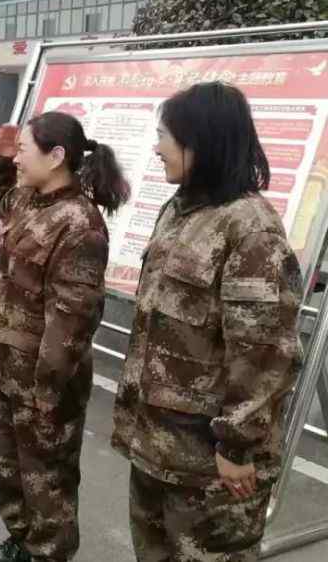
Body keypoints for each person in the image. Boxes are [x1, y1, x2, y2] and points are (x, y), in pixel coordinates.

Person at [112, 82, 301, 562]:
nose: (156, 148)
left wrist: (236, 447)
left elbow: (263, 353)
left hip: (211, 463)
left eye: (165, 136)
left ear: (203, 141)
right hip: (157, 446)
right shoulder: (178, 210)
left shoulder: (250, 228)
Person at [0, 112, 130, 562]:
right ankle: (21, 543)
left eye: (24, 150)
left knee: (48, 483)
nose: (19, 158)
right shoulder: (29, 198)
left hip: (45, 387)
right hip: (10, 372)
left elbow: (71, 324)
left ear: (57, 156)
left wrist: (46, 394)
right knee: (13, 473)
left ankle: (47, 554)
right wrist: (0, 159)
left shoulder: (79, 225)